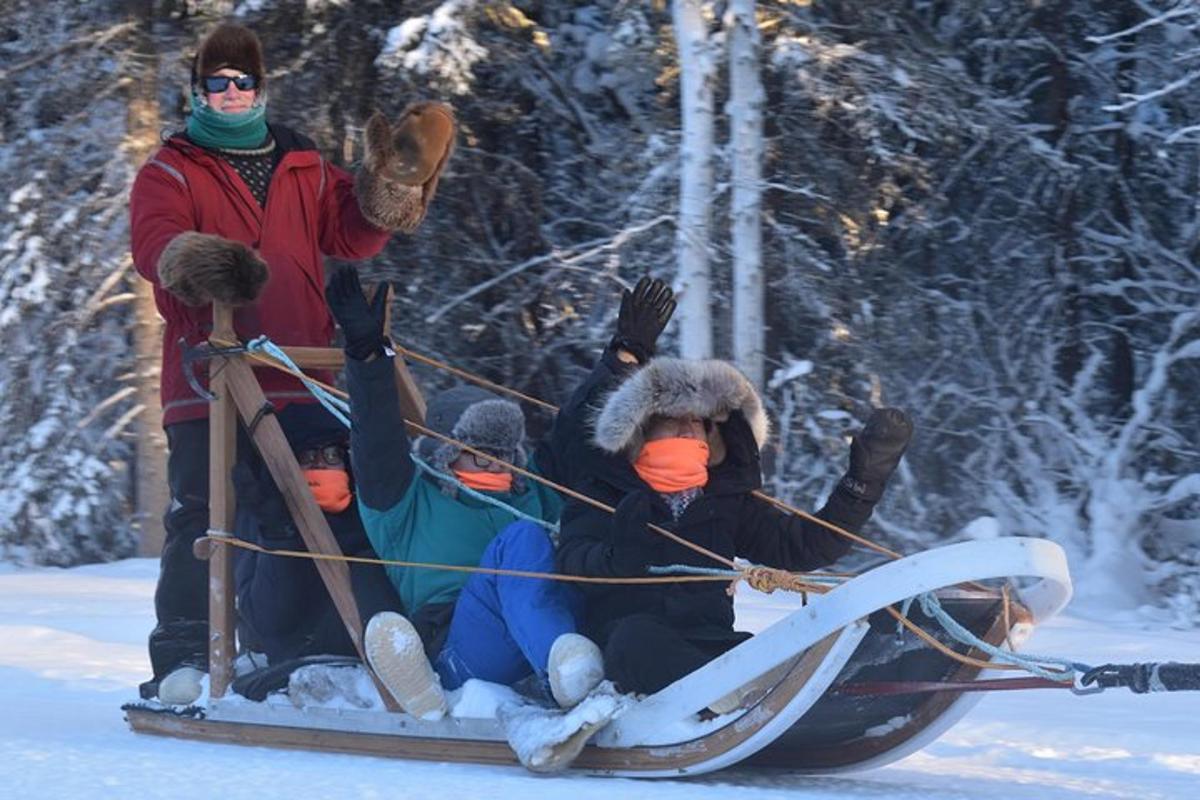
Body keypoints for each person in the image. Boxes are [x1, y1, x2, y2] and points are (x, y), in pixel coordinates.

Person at [129, 21, 455, 704]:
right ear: (198, 91)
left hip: (302, 372)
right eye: (215, 83)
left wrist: (390, 186)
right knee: (203, 516)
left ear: (260, 88)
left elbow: (352, 237)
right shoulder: (171, 168)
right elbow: (156, 245)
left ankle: (338, 638)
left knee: (319, 506)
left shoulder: (302, 162)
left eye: (241, 81)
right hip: (210, 374)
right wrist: (205, 265)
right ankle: (185, 656)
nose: (229, 93)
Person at [322, 268, 678, 719]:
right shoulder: (405, 503)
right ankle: (567, 676)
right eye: (478, 452)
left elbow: (574, 432)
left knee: (605, 548)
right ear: (443, 455)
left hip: (548, 629)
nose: (496, 463)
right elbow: (375, 438)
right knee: (525, 541)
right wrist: (366, 355)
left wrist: (626, 357)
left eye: (503, 452)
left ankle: (669, 666)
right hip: (463, 650)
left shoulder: (531, 490)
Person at [556, 349, 913, 710]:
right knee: (636, 640)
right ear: (642, 430)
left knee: (761, 649)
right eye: (673, 418)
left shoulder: (725, 500)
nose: (688, 427)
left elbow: (803, 546)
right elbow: (571, 560)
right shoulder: (604, 492)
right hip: (630, 641)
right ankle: (734, 696)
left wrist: (862, 484)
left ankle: (772, 696)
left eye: (698, 421)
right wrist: (618, 556)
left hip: (712, 641)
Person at [232, 404, 403, 672]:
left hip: (373, 653)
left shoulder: (369, 514)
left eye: (332, 455)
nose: (322, 464)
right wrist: (280, 535)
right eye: (308, 457)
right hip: (298, 658)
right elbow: (267, 621)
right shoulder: (262, 513)